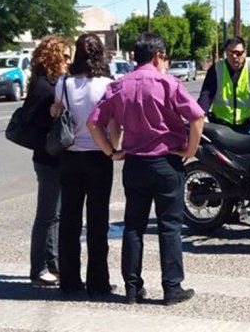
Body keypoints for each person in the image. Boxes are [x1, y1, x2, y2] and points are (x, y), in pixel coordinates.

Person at [88, 33, 205, 306]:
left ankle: (131, 288)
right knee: (169, 227)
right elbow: (197, 117)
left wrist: (111, 152)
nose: (165, 62)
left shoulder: (118, 86)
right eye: (164, 57)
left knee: (133, 226)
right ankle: (172, 287)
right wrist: (190, 150)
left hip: (135, 164)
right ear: (157, 56)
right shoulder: (168, 83)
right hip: (166, 163)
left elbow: (94, 123)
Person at [50, 33, 119, 297]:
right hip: (98, 156)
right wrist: (114, 149)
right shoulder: (107, 85)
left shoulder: (63, 83)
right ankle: (98, 281)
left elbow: (56, 112)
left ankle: (69, 279)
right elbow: (112, 123)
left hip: (69, 156)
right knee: (98, 220)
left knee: (69, 219)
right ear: (100, 54)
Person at [22, 35, 69, 287]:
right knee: (46, 215)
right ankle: (38, 269)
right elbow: (30, 121)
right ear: (53, 57)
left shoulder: (55, 83)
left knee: (56, 215)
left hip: (54, 156)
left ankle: (54, 264)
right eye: (65, 56)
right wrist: (50, 115)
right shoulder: (43, 86)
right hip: (46, 157)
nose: (68, 61)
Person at [198, 36, 250, 135]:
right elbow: (205, 97)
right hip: (220, 128)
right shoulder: (216, 70)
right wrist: (197, 116)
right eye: (230, 52)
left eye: (238, 53)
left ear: (245, 53)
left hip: (247, 129)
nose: (234, 56)